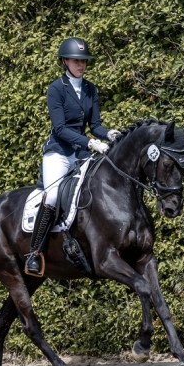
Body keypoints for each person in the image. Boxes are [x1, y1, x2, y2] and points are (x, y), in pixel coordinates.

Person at [25, 37, 121, 276]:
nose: (81, 65)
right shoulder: (56, 89)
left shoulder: (90, 89)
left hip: (80, 154)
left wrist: (108, 133)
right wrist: (90, 142)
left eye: (84, 61)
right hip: (58, 153)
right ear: (65, 61)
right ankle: (34, 254)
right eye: (76, 61)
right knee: (53, 195)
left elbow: (95, 124)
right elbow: (60, 129)